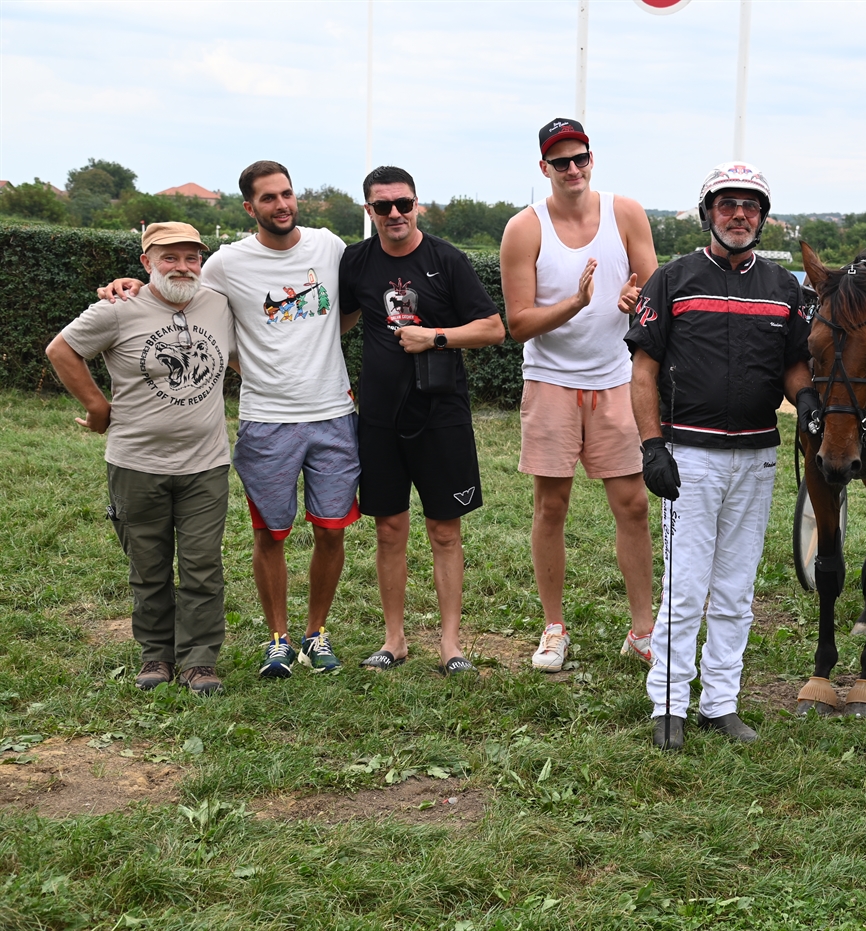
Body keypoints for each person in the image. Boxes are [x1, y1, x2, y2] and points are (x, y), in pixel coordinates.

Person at [98, 161, 362, 680]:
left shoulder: (329, 246)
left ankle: (316, 633)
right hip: (267, 420)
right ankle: (278, 640)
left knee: (332, 533)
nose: (281, 205)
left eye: (287, 194)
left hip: (333, 413)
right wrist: (128, 284)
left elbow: (349, 308)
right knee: (271, 535)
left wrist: (323, 338)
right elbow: (176, 291)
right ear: (249, 207)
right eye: (268, 198)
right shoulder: (225, 263)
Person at [626, 162, 811, 750]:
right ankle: (669, 704)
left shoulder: (784, 288)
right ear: (708, 212)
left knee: (736, 589)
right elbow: (643, 371)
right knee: (685, 588)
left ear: (763, 217)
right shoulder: (672, 279)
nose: (739, 215)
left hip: (756, 457)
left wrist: (808, 401)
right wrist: (652, 446)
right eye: (727, 204)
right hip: (690, 457)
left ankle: (721, 704)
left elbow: (795, 367)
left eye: (750, 206)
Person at [499, 118, 660, 673]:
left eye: (580, 158)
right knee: (551, 506)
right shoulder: (524, 228)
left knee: (633, 504)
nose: (573, 169)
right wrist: (576, 302)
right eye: (561, 161)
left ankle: (643, 631)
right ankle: (554, 628)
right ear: (544, 167)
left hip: (616, 380)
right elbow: (519, 324)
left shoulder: (625, 213)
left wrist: (635, 301)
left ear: (592, 159)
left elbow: (653, 295)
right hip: (550, 381)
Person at [51, 223, 238, 694]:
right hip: (136, 463)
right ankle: (156, 654)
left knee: (202, 567)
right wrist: (97, 406)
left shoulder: (218, 304)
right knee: (148, 567)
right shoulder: (119, 308)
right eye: (169, 257)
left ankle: (199, 661)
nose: (182, 267)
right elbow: (62, 349)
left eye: (191, 258)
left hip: (206, 465)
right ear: (146, 263)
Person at [339, 166, 506, 675]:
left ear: (418, 205)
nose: (395, 213)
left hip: (441, 414)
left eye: (403, 204)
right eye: (383, 206)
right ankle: (394, 640)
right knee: (389, 529)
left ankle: (451, 644)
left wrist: (435, 337)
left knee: (444, 530)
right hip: (379, 417)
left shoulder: (446, 259)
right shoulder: (355, 260)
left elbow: (493, 329)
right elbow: (339, 319)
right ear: (369, 210)